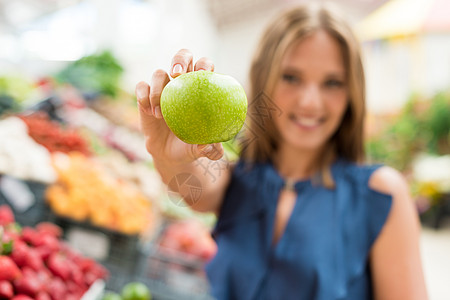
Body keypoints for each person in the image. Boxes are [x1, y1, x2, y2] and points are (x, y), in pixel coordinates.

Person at [135, 3, 428, 300]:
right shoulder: (240, 178)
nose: (310, 102)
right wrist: (168, 153)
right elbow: (191, 185)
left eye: (332, 83)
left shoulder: (381, 194)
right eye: (291, 77)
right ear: (265, 78)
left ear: (352, 92)